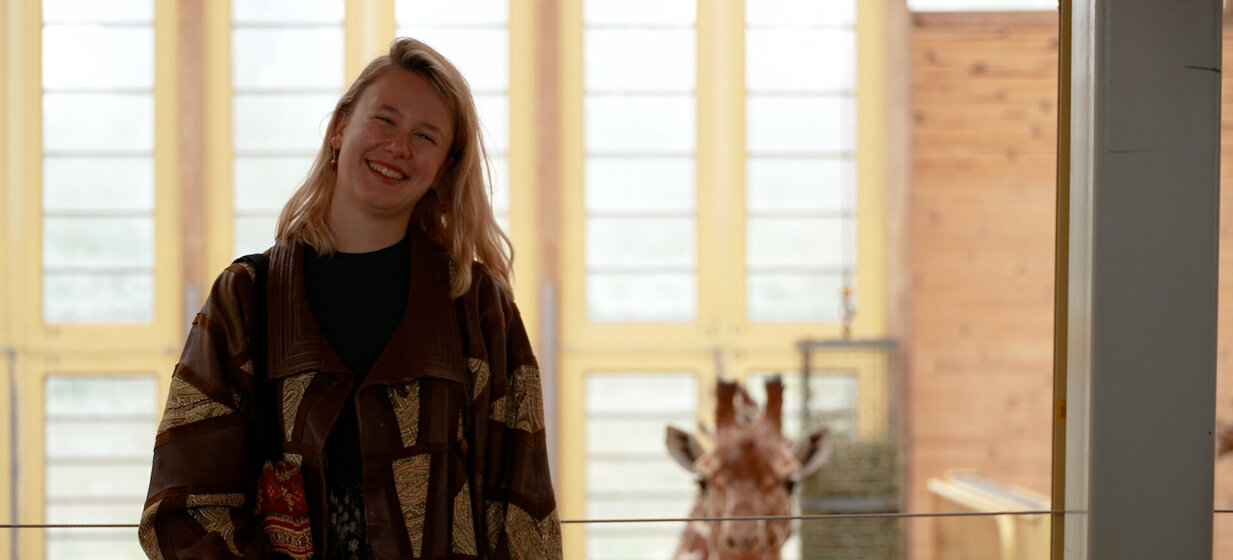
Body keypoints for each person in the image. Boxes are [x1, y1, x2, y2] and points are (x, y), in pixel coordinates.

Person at [139, 38, 562, 560]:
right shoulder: (248, 298)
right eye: (384, 120)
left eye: (425, 136)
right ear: (340, 128)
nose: (399, 147)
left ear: (445, 169)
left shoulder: (479, 308)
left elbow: (525, 522)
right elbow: (182, 512)